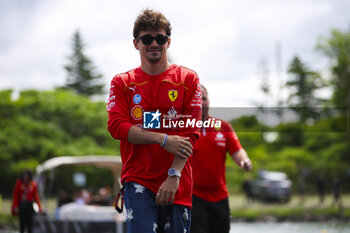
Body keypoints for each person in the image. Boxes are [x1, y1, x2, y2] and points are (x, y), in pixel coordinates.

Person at [106, 9, 202, 233]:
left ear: (169, 41)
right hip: (138, 180)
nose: (154, 43)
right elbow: (117, 126)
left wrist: (174, 174)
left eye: (160, 38)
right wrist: (163, 139)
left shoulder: (188, 79)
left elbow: (191, 133)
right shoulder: (122, 82)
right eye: (147, 39)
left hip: (177, 181)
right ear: (136, 43)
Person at [191, 85, 252, 233]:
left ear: (209, 101)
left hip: (219, 195)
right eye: (198, 99)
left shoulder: (223, 126)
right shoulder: (184, 127)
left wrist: (244, 161)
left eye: (204, 98)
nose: (202, 102)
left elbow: (238, 151)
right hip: (193, 196)